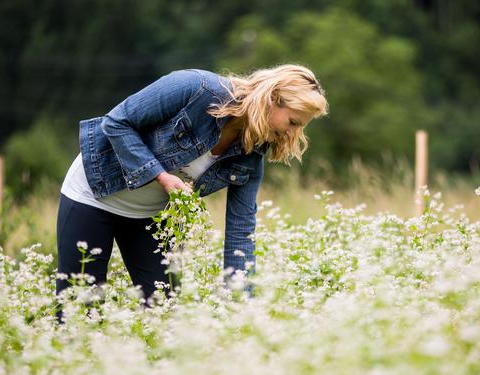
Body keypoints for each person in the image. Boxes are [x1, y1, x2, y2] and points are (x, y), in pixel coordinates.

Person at [56, 64, 328, 303]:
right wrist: (160, 175)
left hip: (150, 217)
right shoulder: (196, 87)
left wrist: (242, 306)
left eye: (299, 127)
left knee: (164, 312)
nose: (291, 134)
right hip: (95, 193)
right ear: (272, 98)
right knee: (80, 305)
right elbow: (117, 122)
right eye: (292, 122)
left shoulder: (251, 154)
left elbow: (241, 231)